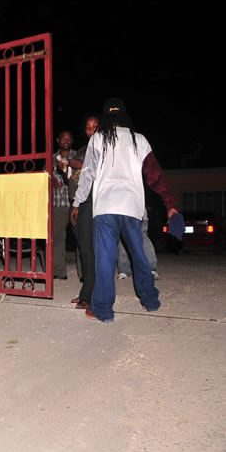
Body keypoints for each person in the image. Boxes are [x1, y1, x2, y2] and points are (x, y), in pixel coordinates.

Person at [71, 98, 178, 322]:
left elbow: (88, 174)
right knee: (138, 255)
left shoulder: (98, 139)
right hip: (131, 206)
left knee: (105, 259)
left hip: (105, 207)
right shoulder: (139, 140)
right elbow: (156, 176)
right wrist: (170, 204)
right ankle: (151, 301)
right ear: (125, 116)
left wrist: (77, 202)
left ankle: (103, 310)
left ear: (105, 118)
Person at [68, 113, 99, 309]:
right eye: (88, 127)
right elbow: (80, 178)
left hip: (100, 200)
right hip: (84, 199)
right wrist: (77, 203)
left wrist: (82, 165)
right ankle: (87, 291)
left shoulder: (106, 146)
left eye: (95, 126)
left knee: (95, 248)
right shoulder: (83, 149)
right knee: (86, 247)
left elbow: (100, 172)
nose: (91, 131)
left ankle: (93, 294)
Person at [52, 129, 77, 280]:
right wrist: (51, 183)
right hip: (57, 203)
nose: (66, 141)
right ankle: (59, 272)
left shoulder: (78, 156)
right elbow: (44, 179)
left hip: (76, 203)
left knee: (81, 239)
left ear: (72, 141)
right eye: (63, 138)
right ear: (58, 140)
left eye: (68, 139)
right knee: (57, 239)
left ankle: (84, 274)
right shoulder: (50, 158)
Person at [117, 208, 159, 279]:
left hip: (139, 212)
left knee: (142, 237)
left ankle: (151, 268)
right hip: (121, 212)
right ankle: (124, 269)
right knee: (122, 239)